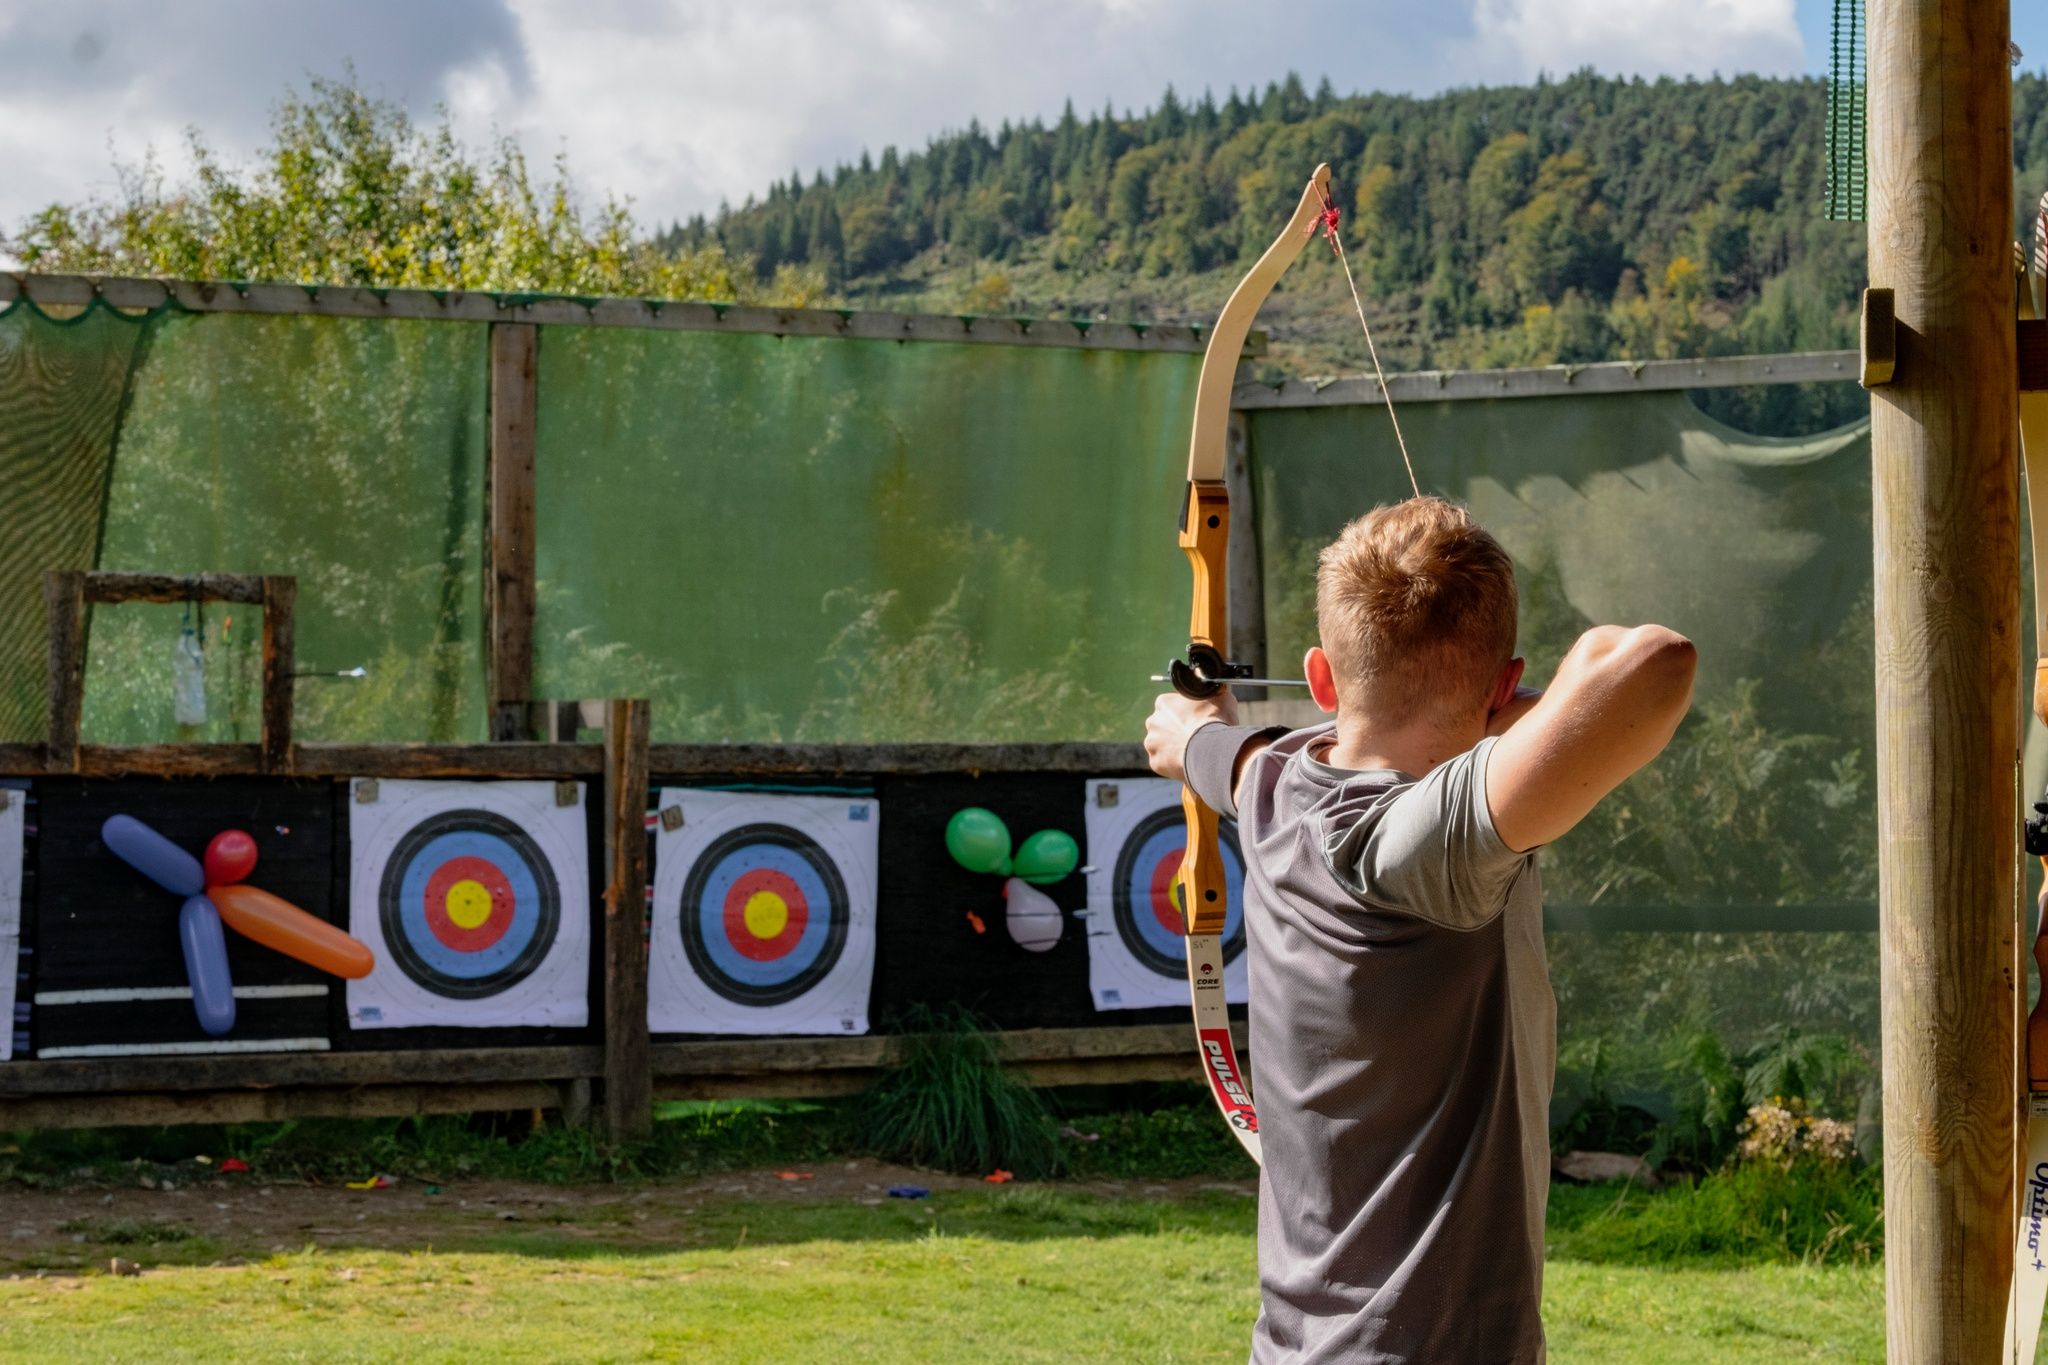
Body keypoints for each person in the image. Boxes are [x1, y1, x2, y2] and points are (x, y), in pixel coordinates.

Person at [1145, 496, 1696, 1363]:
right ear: (1501, 683)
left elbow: (1222, 755)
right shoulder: (1419, 845)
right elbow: (1653, 663)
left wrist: (1192, 733)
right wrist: (1503, 713)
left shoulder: (1276, 782)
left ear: (1322, 680)